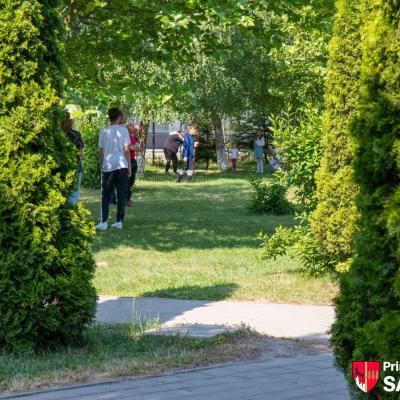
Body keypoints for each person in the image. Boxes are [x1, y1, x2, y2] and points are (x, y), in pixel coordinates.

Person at [96, 108, 131, 231]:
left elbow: (101, 152)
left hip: (108, 166)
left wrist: (101, 166)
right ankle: (119, 221)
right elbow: (127, 150)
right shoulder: (124, 130)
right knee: (121, 195)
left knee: (106, 195)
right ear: (119, 117)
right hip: (122, 166)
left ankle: (104, 222)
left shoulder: (103, 131)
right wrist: (129, 166)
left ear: (109, 117)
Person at [61, 112, 84, 205]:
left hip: (61, 167)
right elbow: (81, 154)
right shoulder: (76, 134)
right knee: (74, 194)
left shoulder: (56, 134)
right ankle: (72, 211)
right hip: (76, 167)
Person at [126, 123, 140, 206]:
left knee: (132, 181)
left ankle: (128, 198)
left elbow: (137, 148)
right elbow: (131, 147)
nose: (134, 128)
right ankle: (125, 199)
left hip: (133, 160)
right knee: (127, 180)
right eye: (132, 127)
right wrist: (134, 146)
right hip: (127, 161)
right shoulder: (125, 136)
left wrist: (134, 146)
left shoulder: (132, 136)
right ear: (127, 127)